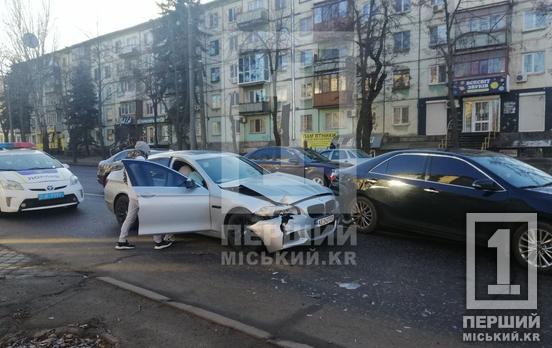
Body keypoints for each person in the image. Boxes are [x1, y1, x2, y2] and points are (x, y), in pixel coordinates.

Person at [115, 141, 174, 251]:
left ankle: (121, 241)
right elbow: (146, 177)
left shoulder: (130, 160)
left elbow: (126, 179)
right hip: (142, 194)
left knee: (129, 218)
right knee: (154, 216)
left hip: (132, 194)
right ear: (144, 150)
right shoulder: (141, 160)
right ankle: (158, 241)